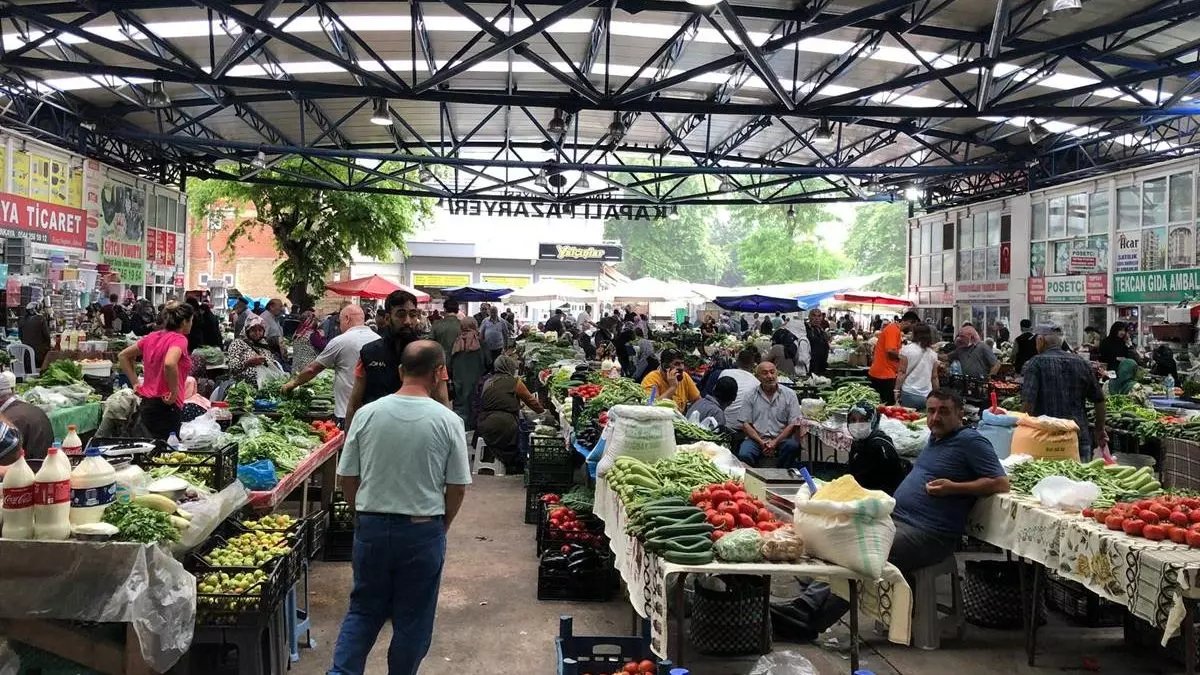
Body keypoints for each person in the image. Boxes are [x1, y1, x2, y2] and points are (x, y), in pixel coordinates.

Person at [328, 341, 470, 675]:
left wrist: (363, 511)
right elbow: (457, 487)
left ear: (400, 371)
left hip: (372, 528)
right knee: (413, 619)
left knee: (363, 611)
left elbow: (347, 476)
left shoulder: (367, 414)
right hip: (423, 530)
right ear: (440, 373)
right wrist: (441, 524)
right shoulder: (448, 421)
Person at [888, 389, 1008, 575]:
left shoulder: (970, 441)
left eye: (943, 411)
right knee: (844, 543)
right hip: (897, 520)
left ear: (960, 414)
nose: (935, 417)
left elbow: (1001, 483)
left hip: (929, 534)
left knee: (869, 555)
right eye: (931, 411)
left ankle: (832, 601)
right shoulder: (936, 438)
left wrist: (953, 488)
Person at [1022, 325, 1106, 461]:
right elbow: (1099, 400)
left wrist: (1021, 429)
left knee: (1048, 480)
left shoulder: (1035, 363)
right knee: (1080, 479)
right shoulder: (1082, 363)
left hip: (1046, 438)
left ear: (1041, 340)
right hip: (1078, 435)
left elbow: (1028, 404)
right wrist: (1100, 429)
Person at [283, 305, 377, 425]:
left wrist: (293, 384)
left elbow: (312, 369)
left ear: (347, 318)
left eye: (340, 321)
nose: (339, 326)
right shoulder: (378, 339)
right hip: (373, 412)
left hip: (347, 412)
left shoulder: (341, 341)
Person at [346, 290, 428, 429]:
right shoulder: (369, 353)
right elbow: (354, 404)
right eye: (401, 315)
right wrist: (348, 444)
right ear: (388, 318)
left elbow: (442, 400)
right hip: (376, 430)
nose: (408, 321)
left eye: (413, 315)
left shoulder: (428, 354)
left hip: (418, 431)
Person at [117, 301, 193, 441]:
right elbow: (170, 363)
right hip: (167, 406)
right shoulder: (179, 339)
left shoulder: (152, 337)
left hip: (147, 403)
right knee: (164, 453)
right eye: (191, 321)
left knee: (146, 449)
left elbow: (123, 356)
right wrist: (174, 391)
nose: (191, 324)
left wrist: (135, 383)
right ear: (183, 322)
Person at [477, 355, 543, 473]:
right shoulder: (515, 382)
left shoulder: (488, 381)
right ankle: (513, 464)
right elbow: (532, 402)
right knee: (519, 434)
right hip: (504, 424)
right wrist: (543, 413)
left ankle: (490, 459)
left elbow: (490, 400)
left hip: (483, 423)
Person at [738, 361, 802, 467]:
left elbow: (793, 423)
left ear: (777, 374)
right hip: (757, 439)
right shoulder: (750, 395)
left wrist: (775, 442)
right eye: (765, 373)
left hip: (781, 438)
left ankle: (782, 475)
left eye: (772, 372)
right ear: (758, 377)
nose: (770, 376)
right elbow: (745, 424)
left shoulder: (789, 394)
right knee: (744, 453)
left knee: (792, 446)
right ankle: (755, 477)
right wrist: (761, 442)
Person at [845, 400, 909, 495]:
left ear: (873, 420)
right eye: (853, 420)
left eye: (863, 420)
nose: (857, 425)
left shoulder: (880, 445)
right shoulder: (858, 443)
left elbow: (891, 482)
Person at [0, 371, 52, 465]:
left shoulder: (9, 419)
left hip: (26, 472)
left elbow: (9, 458)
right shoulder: (30, 409)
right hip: (43, 467)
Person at [868, 311, 918, 405]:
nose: (912, 330)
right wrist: (905, 357)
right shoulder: (893, 330)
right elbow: (890, 351)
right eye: (912, 326)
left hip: (884, 372)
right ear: (909, 322)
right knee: (887, 406)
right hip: (884, 374)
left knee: (884, 406)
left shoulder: (895, 330)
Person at [450, 317, 487, 429]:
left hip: (459, 378)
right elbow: (488, 361)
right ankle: (472, 425)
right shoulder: (480, 342)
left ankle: (460, 426)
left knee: (460, 403)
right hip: (476, 378)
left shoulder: (457, 341)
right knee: (475, 402)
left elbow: (450, 361)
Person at [640, 348, 700, 412]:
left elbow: (697, 400)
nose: (682, 367)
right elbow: (652, 407)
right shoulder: (651, 379)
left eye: (682, 363)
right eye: (677, 364)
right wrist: (673, 387)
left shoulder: (684, 376)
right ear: (665, 366)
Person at [896, 323, 939, 410]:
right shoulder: (933, 354)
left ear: (914, 334)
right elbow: (934, 377)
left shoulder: (906, 350)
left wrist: (896, 390)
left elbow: (902, 372)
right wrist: (937, 393)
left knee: (908, 420)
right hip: (927, 395)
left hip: (909, 393)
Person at [226, 315, 277, 384]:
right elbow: (233, 368)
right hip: (243, 386)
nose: (257, 333)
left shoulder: (264, 344)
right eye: (253, 330)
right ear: (247, 331)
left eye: (260, 330)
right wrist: (247, 363)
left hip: (265, 384)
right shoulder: (237, 343)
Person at [722, 346, 762, 431]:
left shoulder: (725, 373)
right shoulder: (757, 383)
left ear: (737, 361)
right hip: (742, 428)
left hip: (722, 422)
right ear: (753, 364)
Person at [18, 302, 51, 370]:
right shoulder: (41, 319)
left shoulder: (22, 320)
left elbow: (20, 337)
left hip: (26, 357)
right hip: (39, 358)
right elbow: (47, 337)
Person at [806, 309, 831, 376]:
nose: (816, 318)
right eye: (814, 315)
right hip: (811, 365)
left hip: (821, 365)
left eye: (819, 316)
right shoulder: (806, 329)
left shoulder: (821, 330)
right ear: (809, 317)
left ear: (822, 318)